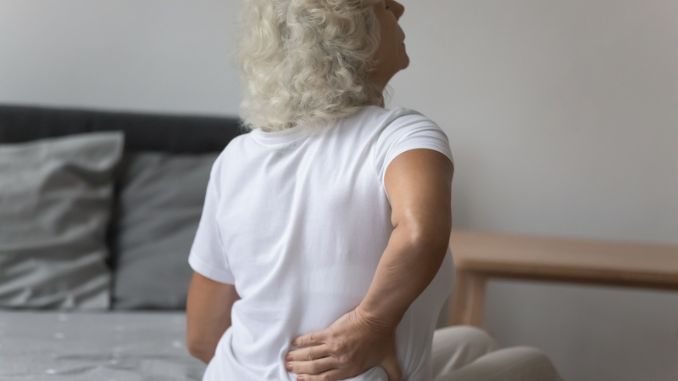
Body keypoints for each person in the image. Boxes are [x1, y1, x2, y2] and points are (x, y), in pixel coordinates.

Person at [186, 1, 564, 380]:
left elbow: (202, 338)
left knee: (471, 341)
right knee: (534, 364)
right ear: (348, 31)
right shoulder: (402, 137)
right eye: (383, 4)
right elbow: (418, 234)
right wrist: (371, 324)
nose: (399, 8)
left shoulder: (236, 157)